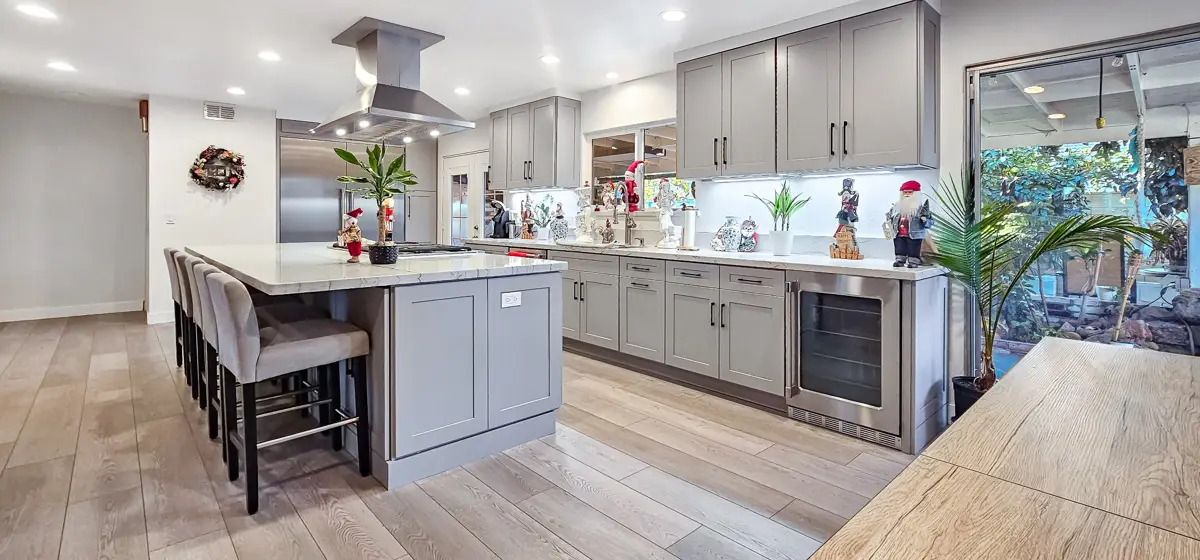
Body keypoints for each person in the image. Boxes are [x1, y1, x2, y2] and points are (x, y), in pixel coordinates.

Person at [884, 181, 933, 268]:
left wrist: (925, 220)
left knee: (913, 248)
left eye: (910, 192)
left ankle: (913, 261)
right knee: (899, 247)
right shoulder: (896, 207)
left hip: (915, 234)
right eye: (905, 192)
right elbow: (889, 217)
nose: (906, 194)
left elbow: (930, 222)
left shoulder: (921, 208)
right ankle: (900, 260)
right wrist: (888, 223)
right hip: (898, 233)